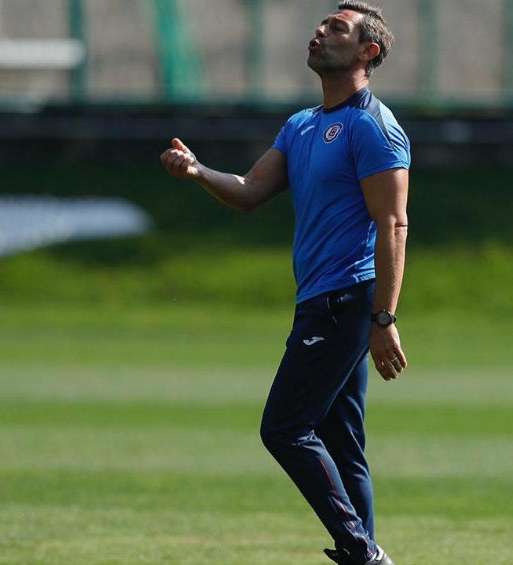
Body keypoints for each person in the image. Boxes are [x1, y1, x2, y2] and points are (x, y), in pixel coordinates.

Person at [159, 2, 409, 564]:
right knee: (344, 446)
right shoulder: (302, 126)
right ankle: (364, 556)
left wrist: (383, 318)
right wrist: (198, 172)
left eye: (337, 28)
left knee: (286, 428)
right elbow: (249, 191)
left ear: (368, 52)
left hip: (346, 299)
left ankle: (361, 550)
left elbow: (393, 223)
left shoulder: (373, 126)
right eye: (322, 24)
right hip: (319, 301)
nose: (320, 31)